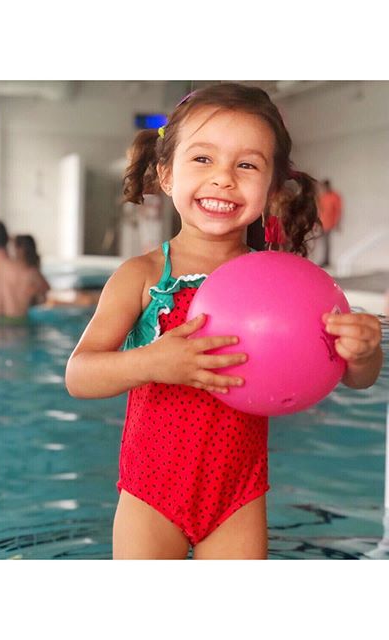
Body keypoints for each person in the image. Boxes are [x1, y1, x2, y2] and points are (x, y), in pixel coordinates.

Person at [65, 83, 383, 560]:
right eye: (202, 159)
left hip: (238, 496)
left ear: (273, 188)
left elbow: (354, 378)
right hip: (151, 493)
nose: (224, 179)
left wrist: (364, 352)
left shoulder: (282, 288)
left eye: (247, 165)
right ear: (166, 174)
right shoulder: (144, 276)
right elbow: (79, 375)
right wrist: (153, 362)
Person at [13, 234, 51, 305]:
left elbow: (46, 287)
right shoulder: (23, 271)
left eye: (15, 248)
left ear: (21, 250)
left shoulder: (31, 272)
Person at [316, 179, 342, 267]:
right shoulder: (323, 197)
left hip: (329, 223)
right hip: (323, 223)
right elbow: (319, 210)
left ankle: (326, 260)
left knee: (326, 242)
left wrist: (337, 223)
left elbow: (338, 211)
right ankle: (325, 259)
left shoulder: (334, 197)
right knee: (323, 242)